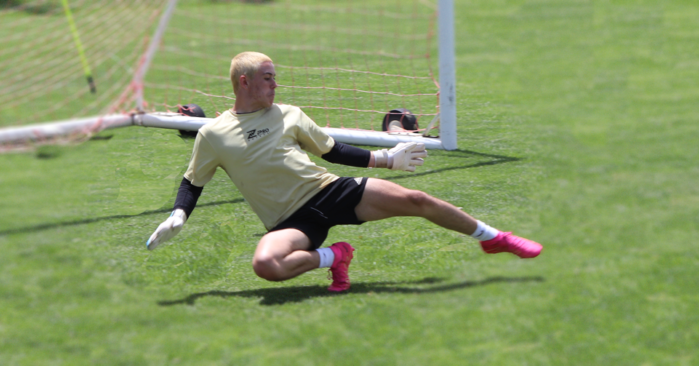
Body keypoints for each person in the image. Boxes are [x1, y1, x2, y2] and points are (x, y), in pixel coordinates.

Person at [147, 51, 542, 292]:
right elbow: (192, 181)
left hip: (330, 191)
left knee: (418, 199)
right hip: (289, 221)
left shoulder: (289, 115)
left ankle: (494, 238)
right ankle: (333, 256)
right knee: (266, 266)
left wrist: (387, 160)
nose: (275, 83)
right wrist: (178, 214)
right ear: (245, 81)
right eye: (268, 77)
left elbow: (332, 151)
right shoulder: (213, 133)